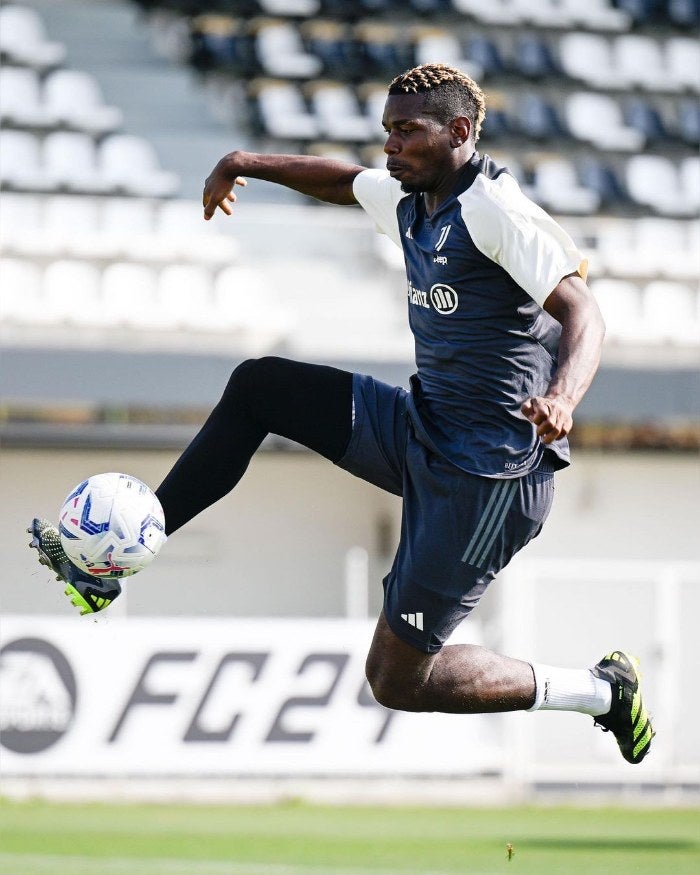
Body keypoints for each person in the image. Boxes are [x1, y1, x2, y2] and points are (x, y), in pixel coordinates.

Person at [29, 63, 653, 765]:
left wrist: (564, 396)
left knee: (395, 679)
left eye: (406, 131)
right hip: (421, 427)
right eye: (386, 130)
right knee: (260, 385)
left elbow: (584, 311)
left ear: (459, 131)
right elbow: (341, 181)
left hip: (488, 480)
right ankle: (121, 556)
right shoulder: (413, 199)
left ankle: (600, 691)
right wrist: (243, 162)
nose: (390, 145)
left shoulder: (498, 212)